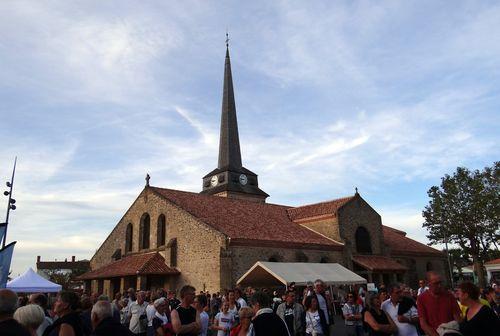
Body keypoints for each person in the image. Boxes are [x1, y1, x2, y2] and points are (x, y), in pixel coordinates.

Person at [417, 271, 461, 336]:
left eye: (440, 282)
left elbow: (457, 317)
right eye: (436, 283)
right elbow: (423, 323)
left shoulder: (449, 295)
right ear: (428, 283)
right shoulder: (421, 298)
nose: (439, 286)